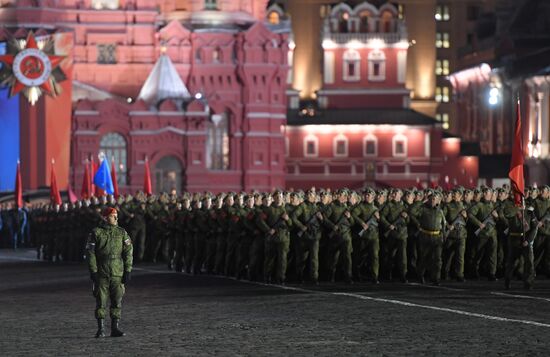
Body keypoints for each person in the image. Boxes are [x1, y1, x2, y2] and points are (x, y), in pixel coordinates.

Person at [86, 207, 133, 338]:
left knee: (117, 301)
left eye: (116, 215)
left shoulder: (122, 232)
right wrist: (93, 271)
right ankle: (101, 329)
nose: (116, 218)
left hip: (117, 271)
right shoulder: (96, 233)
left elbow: (128, 252)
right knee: (101, 301)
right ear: (106, 217)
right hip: (102, 271)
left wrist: (128, 270)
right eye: (113, 216)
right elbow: (90, 253)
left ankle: (115, 328)